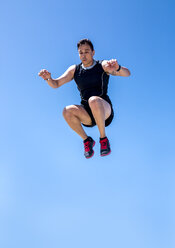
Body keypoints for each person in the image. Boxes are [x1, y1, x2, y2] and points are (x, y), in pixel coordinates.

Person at [38, 39, 130, 159]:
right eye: (81, 52)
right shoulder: (74, 70)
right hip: (87, 113)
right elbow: (56, 84)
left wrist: (117, 68)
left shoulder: (102, 65)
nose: (83, 55)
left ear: (93, 52)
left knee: (93, 100)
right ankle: (87, 141)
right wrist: (48, 78)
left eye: (86, 51)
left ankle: (103, 139)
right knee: (67, 110)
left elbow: (127, 73)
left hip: (103, 109)